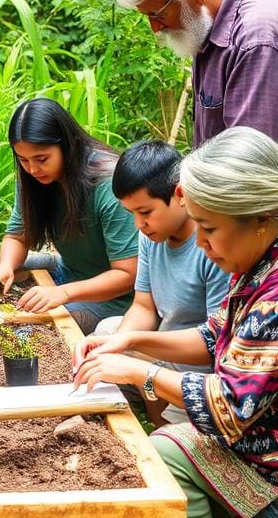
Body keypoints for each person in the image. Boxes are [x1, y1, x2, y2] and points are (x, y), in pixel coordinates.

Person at [73, 127, 278, 518]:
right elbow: (213, 334)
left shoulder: (272, 296)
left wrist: (140, 371)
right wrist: (129, 340)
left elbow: (230, 406)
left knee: (166, 448)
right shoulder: (254, 266)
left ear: (260, 219)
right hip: (252, 440)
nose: (201, 242)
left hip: (266, 464)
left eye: (211, 229)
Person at [97, 140, 231, 426]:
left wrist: (131, 350)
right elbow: (144, 306)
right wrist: (115, 344)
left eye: (145, 212)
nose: (138, 224)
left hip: (197, 360)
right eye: (131, 213)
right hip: (163, 342)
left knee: (168, 436)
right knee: (106, 332)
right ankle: (155, 415)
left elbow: (216, 342)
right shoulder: (150, 237)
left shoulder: (214, 248)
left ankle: (166, 424)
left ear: (180, 194)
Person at [0, 97, 138, 334]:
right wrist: (5, 267)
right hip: (67, 280)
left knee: (29, 333)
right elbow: (17, 237)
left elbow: (128, 274)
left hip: (117, 301)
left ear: (67, 144)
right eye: (23, 160)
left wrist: (62, 293)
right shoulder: (33, 179)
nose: (32, 169)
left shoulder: (107, 183)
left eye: (42, 159)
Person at [114, 0, 278, 146]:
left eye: (158, 14)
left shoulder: (254, 40)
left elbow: (249, 167)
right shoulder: (205, 21)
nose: (155, 27)